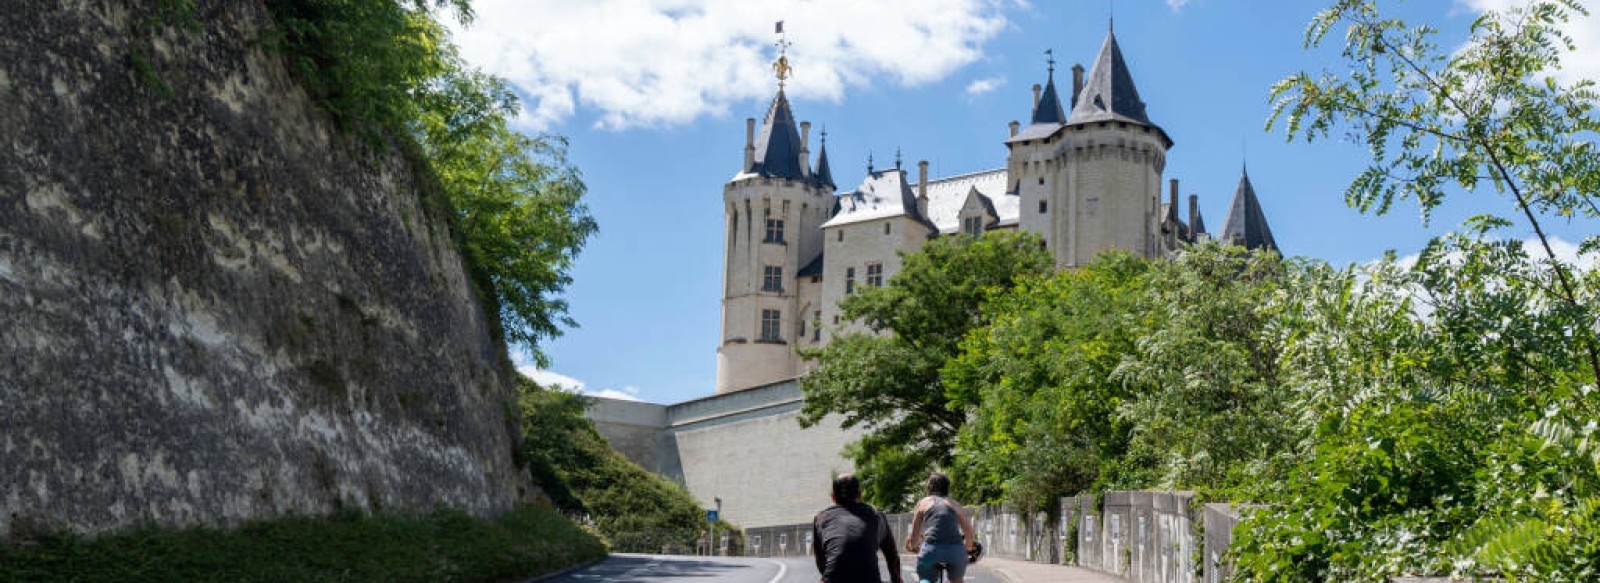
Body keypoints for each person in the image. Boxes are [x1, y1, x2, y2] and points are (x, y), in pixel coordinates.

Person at [812, 474, 903, 583]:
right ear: (859, 494)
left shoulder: (820, 518)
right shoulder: (876, 515)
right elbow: (892, 556)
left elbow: (821, 561)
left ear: (833, 497)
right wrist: (896, 580)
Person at [904, 472, 976, 583]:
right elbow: (969, 534)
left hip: (931, 550)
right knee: (957, 580)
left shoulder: (923, 503)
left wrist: (914, 546)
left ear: (930, 487)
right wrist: (967, 550)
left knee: (925, 579)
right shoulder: (955, 504)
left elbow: (914, 537)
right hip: (955, 552)